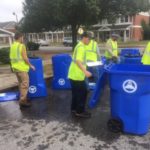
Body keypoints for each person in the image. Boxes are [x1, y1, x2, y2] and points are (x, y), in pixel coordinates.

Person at [68, 32, 92, 118]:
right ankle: (79, 111)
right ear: (84, 38)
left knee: (75, 93)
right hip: (77, 75)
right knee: (83, 93)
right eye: (89, 39)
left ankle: (74, 108)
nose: (90, 41)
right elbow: (78, 61)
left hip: (73, 74)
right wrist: (85, 71)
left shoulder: (79, 45)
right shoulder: (81, 47)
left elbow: (79, 60)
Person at [10, 32, 35, 107]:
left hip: (15, 68)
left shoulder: (13, 46)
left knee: (21, 84)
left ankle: (23, 98)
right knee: (25, 84)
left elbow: (12, 57)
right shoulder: (21, 46)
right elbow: (25, 58)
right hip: (22, 68)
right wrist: (31, 65)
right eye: (22, 37)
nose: (23, 39)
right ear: (20, 37)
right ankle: (23, 101)